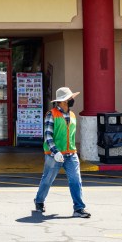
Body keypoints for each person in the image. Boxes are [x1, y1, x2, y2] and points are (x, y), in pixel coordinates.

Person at [33, 86, 90, 218]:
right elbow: (48, 136)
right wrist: (56, 152)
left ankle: (79, 208)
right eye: (70, 98)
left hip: (71, 154)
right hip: (54, 155)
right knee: (48, 179)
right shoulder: (51, 114)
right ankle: (39, 201)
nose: (72, 100)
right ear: (63, 101)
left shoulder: (72, 115)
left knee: (76, 180)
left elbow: (71, 135)